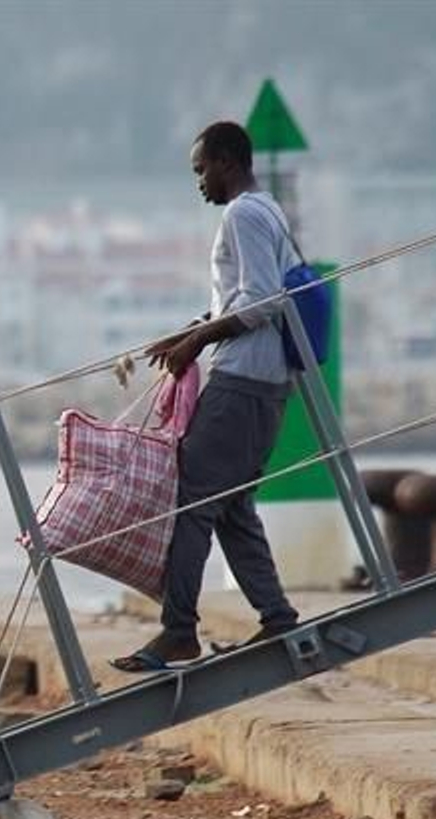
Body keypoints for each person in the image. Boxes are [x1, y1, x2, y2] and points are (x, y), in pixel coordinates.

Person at [111, 121, 301, 673]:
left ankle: (178, 631)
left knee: (191, 500)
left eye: (201, 169)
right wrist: (189, 331)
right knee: (232, 507)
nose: (199, 183)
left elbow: (262, 301)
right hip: (263, 380)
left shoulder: (241, 213)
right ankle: (277, 616)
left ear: (226, 161)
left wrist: (199, 339)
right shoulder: (270, 210)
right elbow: (245, 297)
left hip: (243, 380)